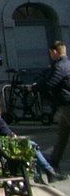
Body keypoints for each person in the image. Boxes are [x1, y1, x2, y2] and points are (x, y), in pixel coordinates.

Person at [0, 93, 64, 182]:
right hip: (2, 149)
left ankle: (44, 173)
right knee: (32, 146)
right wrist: (18, 138)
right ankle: (48, 172)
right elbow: (9, 134)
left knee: (31, 145)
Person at [36, 41, 70, 170]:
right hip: (64, 104)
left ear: (55, 51)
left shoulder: (59, 66)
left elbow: (51, 83)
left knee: (63, 134)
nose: (50, 55)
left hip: (67, 104)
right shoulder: (67, 64)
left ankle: (54, 160)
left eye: (50, 53)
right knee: (63, 134)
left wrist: (34, 88)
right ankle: (54, 160)